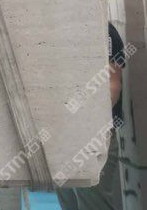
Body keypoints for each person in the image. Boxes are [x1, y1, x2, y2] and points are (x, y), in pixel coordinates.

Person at [56, 23, 125, 210]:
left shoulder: (103, 30)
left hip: (94, 136)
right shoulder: (58, 30)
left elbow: (113, 85)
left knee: (92, 202)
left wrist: (90, 124)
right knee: (68, 200)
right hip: (64, 136)